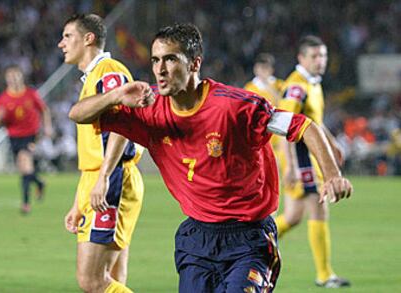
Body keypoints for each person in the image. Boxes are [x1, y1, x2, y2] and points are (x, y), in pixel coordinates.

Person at [69, 23, 353, 293]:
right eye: (155, 61)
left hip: (249, 238)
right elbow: (78, 114)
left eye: (170, 60)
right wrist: (116, 95)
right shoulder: (148, 109)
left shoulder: (235, 106)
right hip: (196, 239)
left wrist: (332, 175)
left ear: (194, 63)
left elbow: (304, 126)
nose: (160, 70)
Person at [58, 14, 144, 293]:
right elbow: (93, 145)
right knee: (113, 280)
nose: (61, 44)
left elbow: (123, 126)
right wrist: (77, 202)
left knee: (92, 281)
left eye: (67, 36)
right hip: (97, 179)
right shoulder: (92, 77)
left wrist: (105, 176)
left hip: (113, 178)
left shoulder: (109, 72)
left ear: (88, 38)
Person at [274, 35, 350, 288]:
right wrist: (291, 166)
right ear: (301, 58)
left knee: (294, 216)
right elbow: (283, 125)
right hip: (302, 159)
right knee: (319, 208)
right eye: (315, 56)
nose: (321, 61)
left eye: (323, 56)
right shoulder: (296, 87)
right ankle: (325, 274)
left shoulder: (313, 84)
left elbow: (314, 122)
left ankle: (249, 240)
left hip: (310, 157)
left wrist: (332, 143)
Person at [0, 64, 52, 214]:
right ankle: (39, 182)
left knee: (25, 165)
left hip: (30, 134)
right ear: (6, 79)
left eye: (16, 75)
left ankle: (25, 204)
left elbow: (44, 109)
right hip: (13, 136)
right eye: (10, 76)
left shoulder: (30, 94)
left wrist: (47, 127)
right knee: (24, 169)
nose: (14, 79)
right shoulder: (2, 99)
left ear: (21, 77)